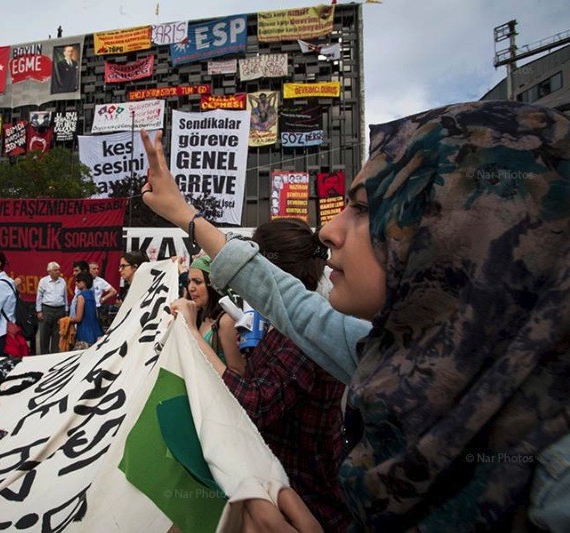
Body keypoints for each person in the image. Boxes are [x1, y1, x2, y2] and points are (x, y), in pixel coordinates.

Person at [139, 101, 570, 530]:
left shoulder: (556, 474)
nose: (328, 231)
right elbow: (294, 308)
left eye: (363, 209)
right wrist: (182, 213)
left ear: (457, 234)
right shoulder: (394, 354)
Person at [172, 219, 350, 530]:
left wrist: (192, 334)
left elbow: (254, 404)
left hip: (307, 505)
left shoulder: (304, 332)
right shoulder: (285, 322)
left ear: (269, 272)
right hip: (278, 494)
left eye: (250, 265)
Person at [184, 255, 244, 375]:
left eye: (198, 282)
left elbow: (238, 372)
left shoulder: (226, 321)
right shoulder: (200, 315)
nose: (191, 288)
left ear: (214, 285)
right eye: (189, 282)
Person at [36, 261, 68, 355]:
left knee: (57, 335)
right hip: (47, 309)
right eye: (55, 270)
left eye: (58, 270)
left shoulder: (62, 281)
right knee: (44, 334)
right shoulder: (43, 281)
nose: (58, 272)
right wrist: (39, 311)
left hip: (60, 310)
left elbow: (65, 297)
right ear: (49, 271)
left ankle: (54, 355)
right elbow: (39, 297)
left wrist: (66, 310)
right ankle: (44, 355)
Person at [69, 271, 103, 349]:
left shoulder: (81, 296)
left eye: (78, 281)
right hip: (96, 332)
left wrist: (67, 320)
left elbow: (78, 318)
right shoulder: (91, 295)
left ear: (84, 282)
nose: (76, 283)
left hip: (84, 334)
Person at [89, 261, 117, 326]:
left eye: (97, 269)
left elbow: (113, 291)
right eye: (94, 269)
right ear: (88, 269)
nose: (96, 271)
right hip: (85, 307)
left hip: (96, 308)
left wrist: (104, 298)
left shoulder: (100, 281)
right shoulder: (83, 279)